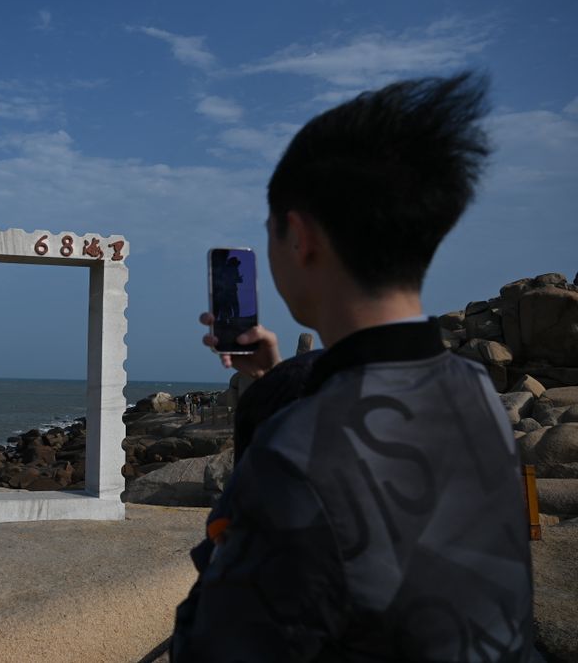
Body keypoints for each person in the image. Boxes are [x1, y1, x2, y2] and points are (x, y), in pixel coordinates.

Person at [171, 73, 534, 661]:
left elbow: (211, 641)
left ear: (299, 236)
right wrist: (275, 378)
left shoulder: (294, 458)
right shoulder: (476, 390)